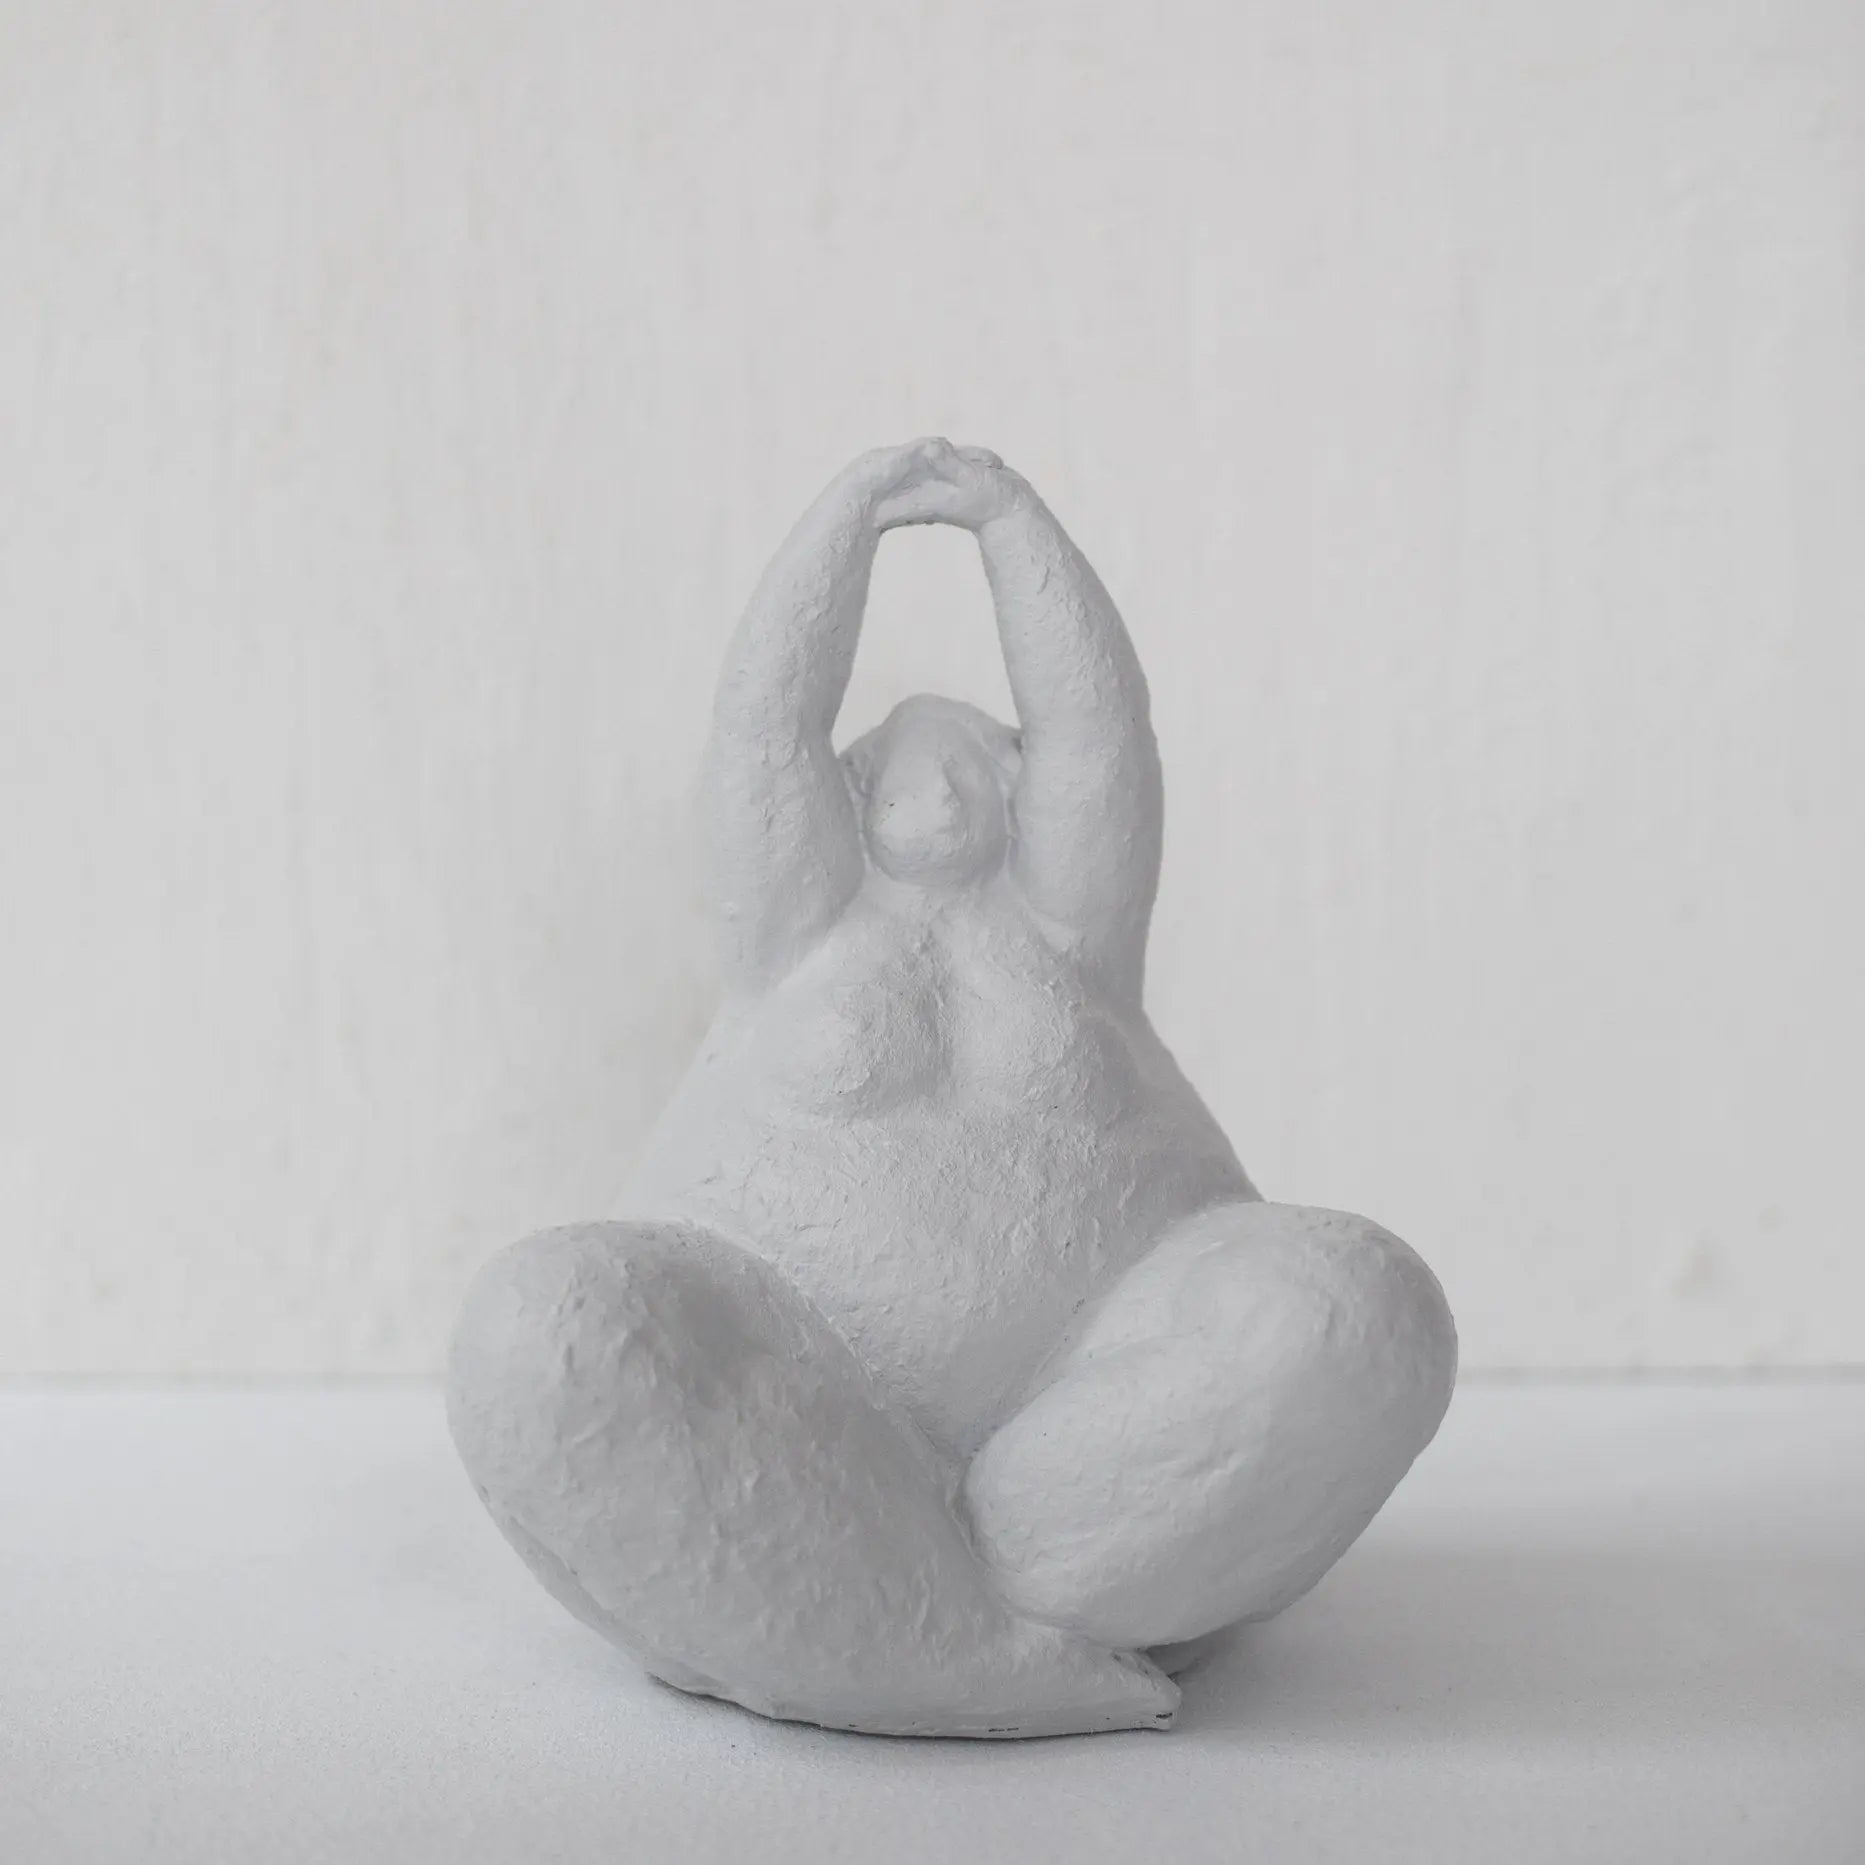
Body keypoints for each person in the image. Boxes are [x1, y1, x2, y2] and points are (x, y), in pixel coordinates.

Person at [448, 440, 1456, 1737]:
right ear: (846, 793)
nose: (936, 779)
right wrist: (848, 521)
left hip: (1082, 1483)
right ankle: (952, 1646)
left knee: (1354, 1310)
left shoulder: (1071, 940)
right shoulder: (795, 943)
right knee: (543, 1329)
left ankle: (950, 1617)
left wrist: (1007, 522)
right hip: (800, 1439)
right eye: (896, 762)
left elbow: (1099, 734)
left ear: (1018, 790)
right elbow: (762, 726)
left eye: (975, 757)